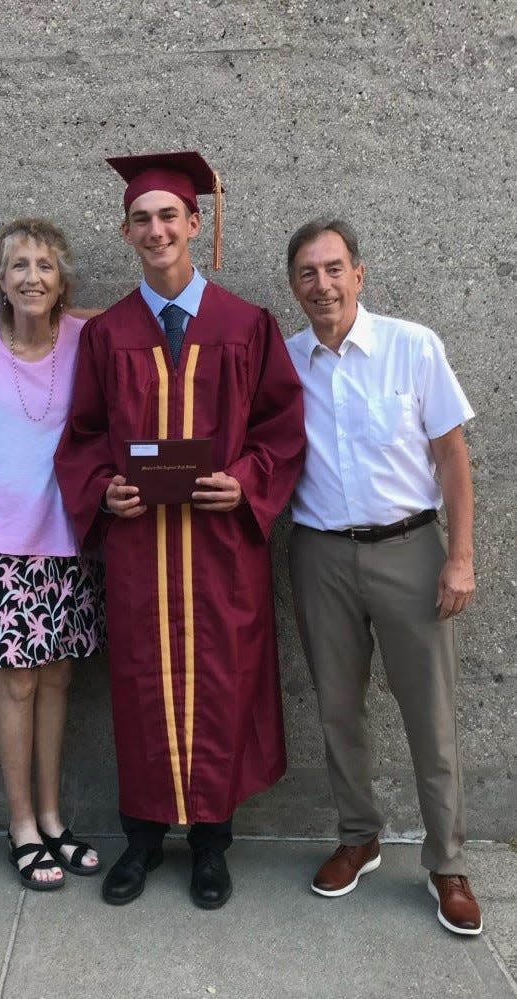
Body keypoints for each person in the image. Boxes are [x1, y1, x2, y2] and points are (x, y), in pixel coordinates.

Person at [54, 151, 306, 909]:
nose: (156, 229)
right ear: (127, 232)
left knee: (220, 686)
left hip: (220, 551)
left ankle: (210, 844)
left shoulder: (246, 324)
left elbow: (282, 430)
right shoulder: (108, 336)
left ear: (195, 224)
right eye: (142, 219)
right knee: (140, 688)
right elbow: (84, 435)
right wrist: (106, 491)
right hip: (139, 552)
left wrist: (248, 481)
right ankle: (141, 840)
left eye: (169, 216)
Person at [284, 218, 482, 935]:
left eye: (334, 268)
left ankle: (448, 862)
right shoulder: (286, 360)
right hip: (320, 554)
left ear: (359, 275)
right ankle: (359, 835)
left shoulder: (412, 346)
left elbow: (452, 458)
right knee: (337, 707)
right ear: (294, 287)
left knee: (429, 713)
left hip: (410, 549)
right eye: (308, 272)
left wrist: (459, 555)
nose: (323, 284)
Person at [0, 218, 104, 889]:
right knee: (16, 680)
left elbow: (134, 323)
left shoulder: (83, 339)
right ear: (1, 279)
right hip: (0, 542)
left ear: (62, 278)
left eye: (44, 264)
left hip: (68, 539)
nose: (32, 276)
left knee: (58, 678)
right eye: (18, 265)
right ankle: (19, 823)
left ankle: (51, 815)